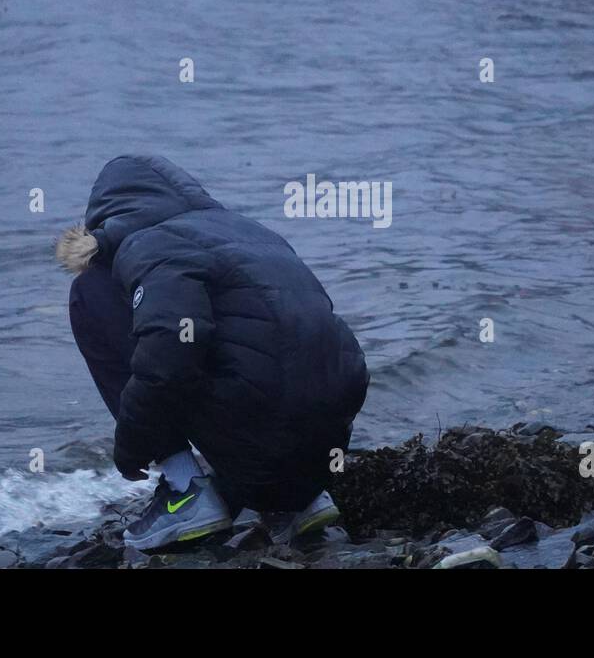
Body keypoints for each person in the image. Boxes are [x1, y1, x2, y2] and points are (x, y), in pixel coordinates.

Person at [57, 155, 369, 549]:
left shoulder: (150, 242)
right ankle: (299, 503)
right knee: (255, 344)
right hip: (322, 447)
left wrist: (133, 445)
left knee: (90, 291)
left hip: (262, 432)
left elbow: (171, 348)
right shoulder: (254, 233)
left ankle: (184, 490)